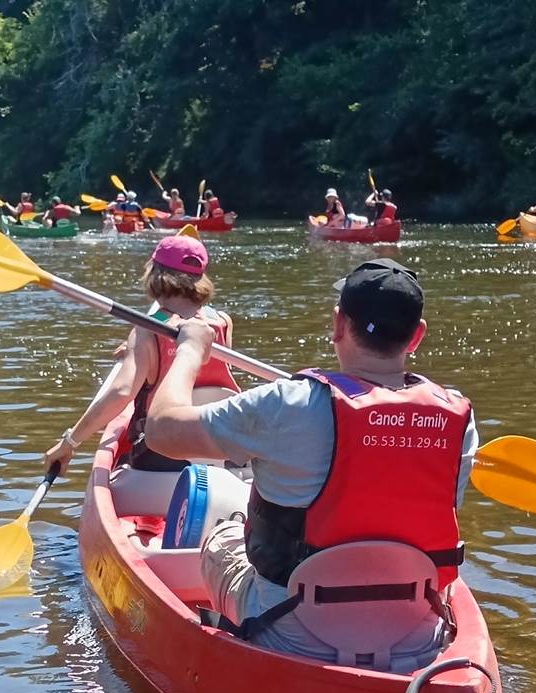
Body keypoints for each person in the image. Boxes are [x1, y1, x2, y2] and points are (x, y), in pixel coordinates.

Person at [141, 258, 478, 662]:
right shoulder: (458, 417)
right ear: (416, 337)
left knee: (221, 536)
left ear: (338, 324)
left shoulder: (290, 403)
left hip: (291, 631)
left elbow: (161, 431)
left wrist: (190, 351)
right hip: (414, 632)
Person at [43, 229, 237, 481]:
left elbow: (121, 393)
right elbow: (204, 363)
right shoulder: (222, 321)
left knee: (131, 447)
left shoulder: (147, 330)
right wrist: (138, 349)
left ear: (156, 275)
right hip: (223, 445)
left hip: (166, 455)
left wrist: (70, 441)